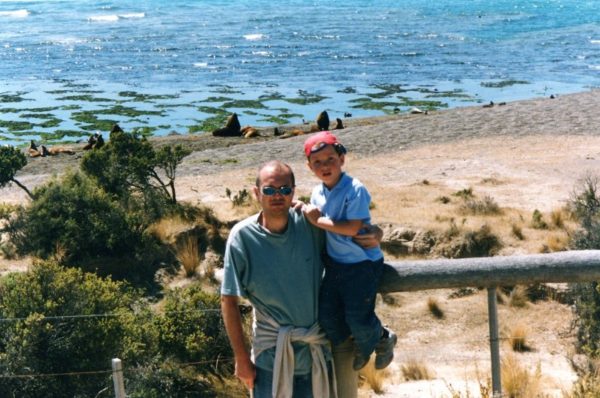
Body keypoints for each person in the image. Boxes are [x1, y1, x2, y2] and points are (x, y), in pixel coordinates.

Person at [220, 160, 381, 397]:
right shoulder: (242, 237)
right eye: (269, 190)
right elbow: (228, 300)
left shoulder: (311, 225)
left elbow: (348, 235)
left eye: (285, 189)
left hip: (315, 352)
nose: (278, 196)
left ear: (293, 191)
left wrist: (377, 233)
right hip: (271, 357)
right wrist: (241, 359)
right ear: (257, 193)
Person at [302, 131, 397, 372]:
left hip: (361, 264)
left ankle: (381, 338)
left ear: (342, 159)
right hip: (335, 265)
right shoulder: (317, 193)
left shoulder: (355, 189)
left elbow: (353, 228)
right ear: (310, 166)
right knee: (327, 316)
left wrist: (317, 220)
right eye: (318, 162)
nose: (325, 166)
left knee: (358, 316)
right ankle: (359, 340)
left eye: (330, 159)